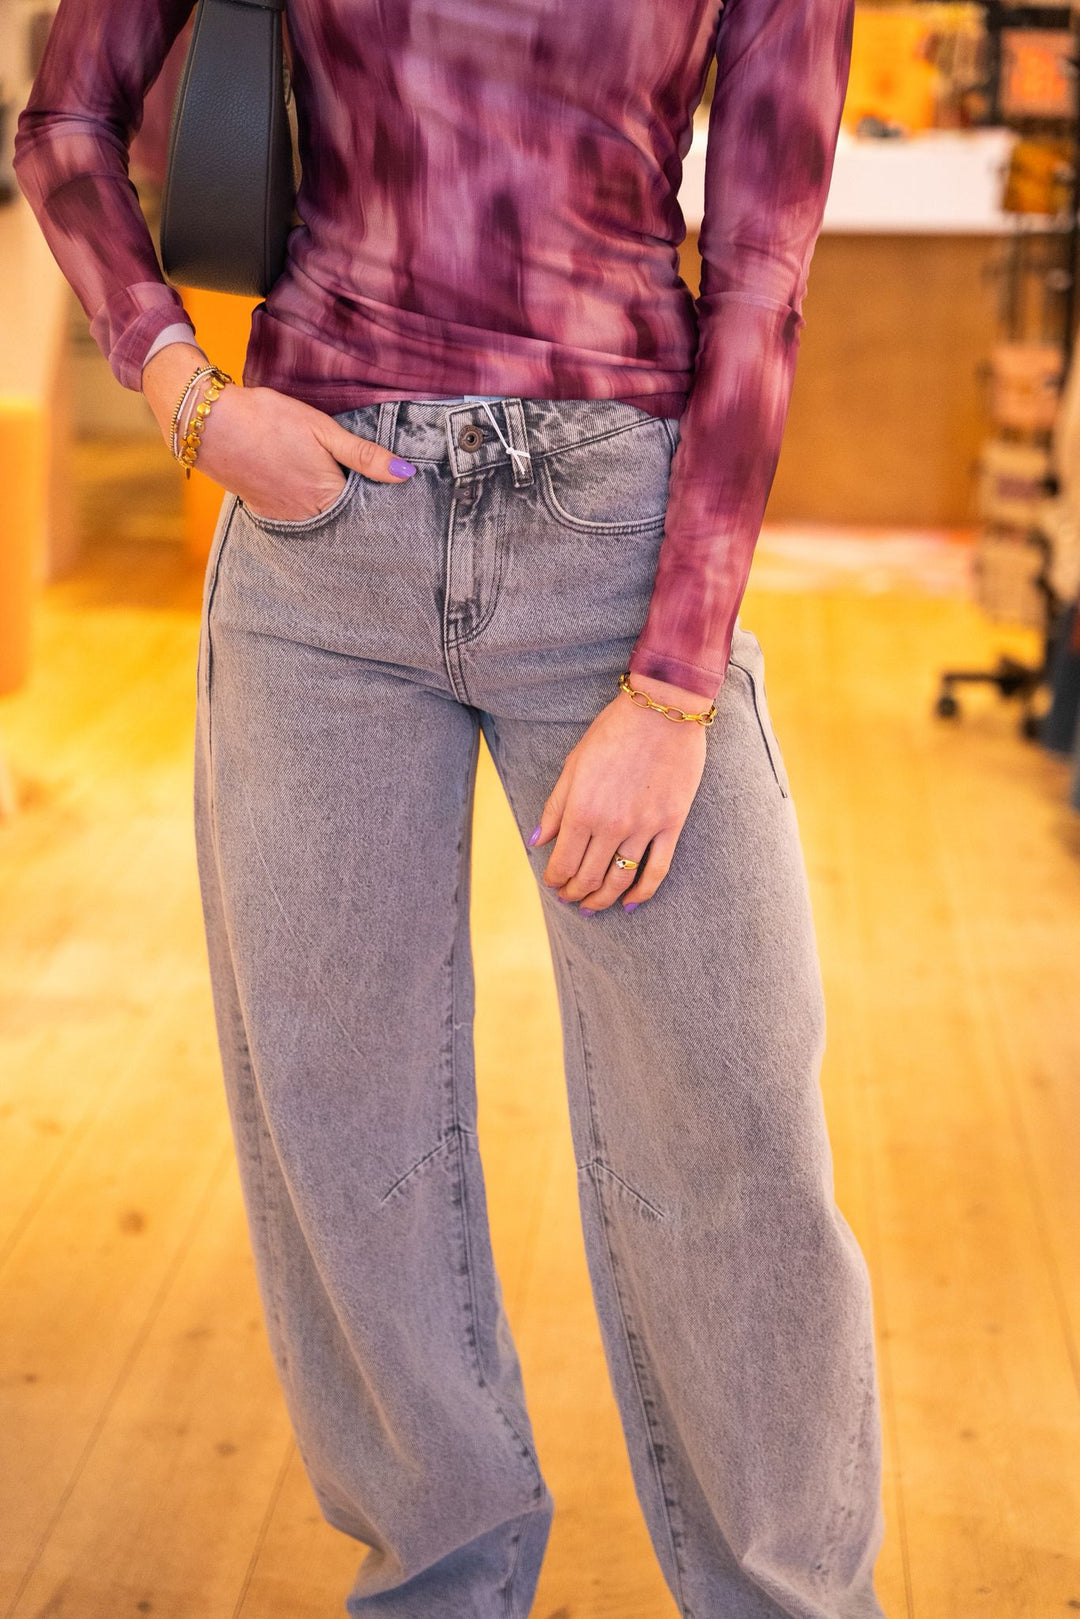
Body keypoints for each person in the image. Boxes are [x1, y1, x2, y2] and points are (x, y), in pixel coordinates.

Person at [14, 0, 889, 1614]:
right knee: (345, 1131)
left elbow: (763, 277)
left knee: (737, 1125)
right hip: (322, 540)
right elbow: (65, 124)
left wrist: (676, 683)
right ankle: (442, 1585)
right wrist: (185, 392)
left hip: (614, 537)